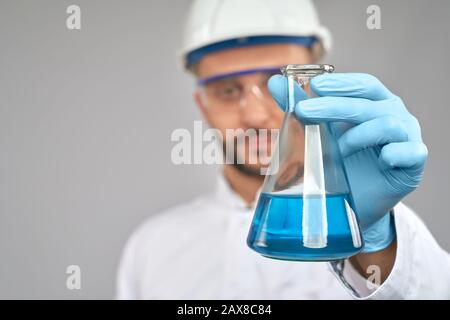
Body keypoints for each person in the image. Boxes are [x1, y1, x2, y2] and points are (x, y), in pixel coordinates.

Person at [116, 0, 450, 299]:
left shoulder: (383, 231)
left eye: (278, 81)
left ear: (318, 84)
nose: (256, 115)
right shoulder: (151, 250)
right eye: (228, 90)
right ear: (202, 106)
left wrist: (377, 244)